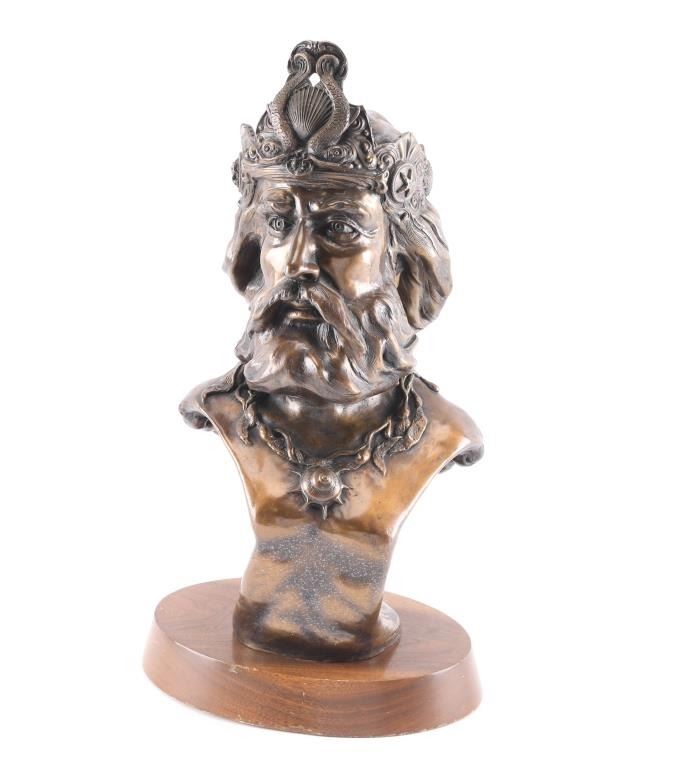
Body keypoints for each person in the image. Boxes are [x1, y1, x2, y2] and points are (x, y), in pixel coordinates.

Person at [180, 41, 483, 661]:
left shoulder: (440, 433)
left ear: (401, 260)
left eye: (340, 230)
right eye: (279, 225)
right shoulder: (222, 408)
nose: (299, 263)